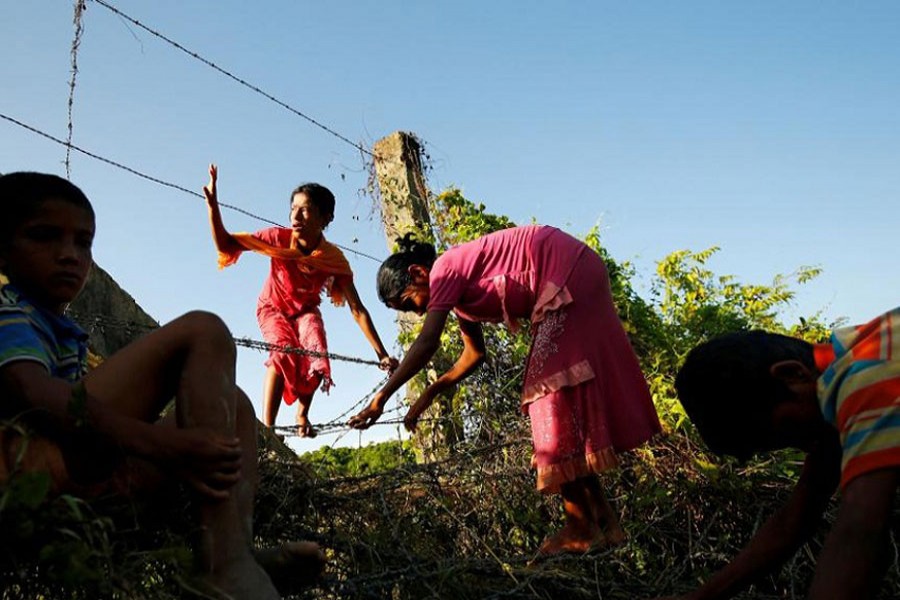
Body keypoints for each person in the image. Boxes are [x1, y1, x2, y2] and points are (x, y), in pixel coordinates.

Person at [0, 171, 323, 599]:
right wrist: (160, 443)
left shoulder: (56, 328)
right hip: (22, 479)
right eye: (44, 236)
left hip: (75, 496)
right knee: (203, 330)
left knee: (236, 405)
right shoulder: (6, 306)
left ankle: (231, 549)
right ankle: (226, 566)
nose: (69, 255)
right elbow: (32, 394)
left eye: (83, 243)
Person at [348, 225, 661, 556]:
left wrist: (381, 398)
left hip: (565, 272)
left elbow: (427, 342)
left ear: (417, 272)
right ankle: (607, 526)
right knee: (561, 400)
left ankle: (580, 528)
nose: (419, 312)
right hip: (576, 271)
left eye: (409, 304)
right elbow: (473, 354)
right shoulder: (458, 296)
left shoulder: (445, 269)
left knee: (545, 394)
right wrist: (431, 392)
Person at [664, 314, 900, 600]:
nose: (800, 447)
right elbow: (795, 520)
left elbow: (860, 530)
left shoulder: (868, 376)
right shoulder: (843, 372)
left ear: (793, 375)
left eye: (784, 433)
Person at [203, 164, 397, 437]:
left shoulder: (332, 259)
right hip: (273, 308)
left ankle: (302, 414)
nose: (296, 215)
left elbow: (357, 309)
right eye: (293, 208)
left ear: (325, 217)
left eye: (305, 209)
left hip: (305, 310)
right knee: (283, 352)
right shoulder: (277, 239)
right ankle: (267, 432)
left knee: (317, 351)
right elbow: (225, 245)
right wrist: (213, 206)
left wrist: (382, 354)